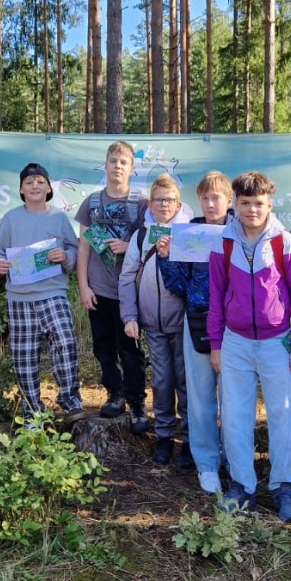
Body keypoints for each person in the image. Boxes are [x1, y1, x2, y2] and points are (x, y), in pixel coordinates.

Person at [207, 171, 291, 521]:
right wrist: (216, 344)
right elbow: (216, 296)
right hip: (235, 342)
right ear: (235, 204)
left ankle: (284, 486)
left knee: (284, 414)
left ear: (270, 204)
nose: (252, 210)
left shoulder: (286, 243)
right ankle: (242, 485)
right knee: (235, 415)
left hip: (277, 342)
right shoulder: (223, 243)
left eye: (258, 203)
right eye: (245, 203)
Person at [157, 169, 233, 498]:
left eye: (216, 197)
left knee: (234, 397)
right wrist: (166, 258)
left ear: (229, 200)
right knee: (200, 397)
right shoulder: (190, 232)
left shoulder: (242, 230)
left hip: (237, 326)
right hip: (199, 321)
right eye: (205, 198)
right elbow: (179, 286)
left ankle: (234, 459)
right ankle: (207, 463)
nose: (210, 203)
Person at [0, 163, 83, 419]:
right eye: (29, 183)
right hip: (19, 298)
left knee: (65, 341)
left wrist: (65, 256)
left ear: (49, 188)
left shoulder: (59, 218)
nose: (35, 186)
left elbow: (74, 250)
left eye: (40, 182)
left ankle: (70, 401)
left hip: (53, 293)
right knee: (24, 356)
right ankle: (33, 412)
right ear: (21, 189)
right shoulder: (11, 218)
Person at [120, 174, 194, 468]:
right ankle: (164, 435)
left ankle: (189, 439)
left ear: (178, 203)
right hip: (153, 323)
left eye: (169, 200)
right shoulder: (141, 236)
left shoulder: (189, 232)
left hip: (184, 324)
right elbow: (127, 276)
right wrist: (130, 316)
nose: (164, 205)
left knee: (186, 382)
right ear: (150, 203)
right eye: (159, 200)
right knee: (162, 381)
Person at [75, 139, 150, 427]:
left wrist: (128, 246)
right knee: (103, 348)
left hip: (130, 292)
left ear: (131, 169)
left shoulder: (142, 204)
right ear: (105, 165)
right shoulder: (91, 203)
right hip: (99, 290)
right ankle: (115, 395)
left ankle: (137, 403)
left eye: (123, 162)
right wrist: (84, 287)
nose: (117, 166)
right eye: (113, 161)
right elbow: (83, 247)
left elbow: (151, 242)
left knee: (130, 350)